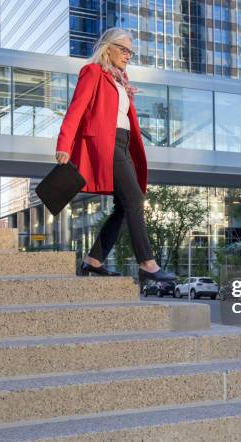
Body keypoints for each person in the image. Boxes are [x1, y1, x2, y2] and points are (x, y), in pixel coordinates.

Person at [55, 27, 176, 284]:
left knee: (125, 205)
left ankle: (93, 261)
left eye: (130, 51)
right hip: (106, 144)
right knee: (134, 199)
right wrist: (64, 143)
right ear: (107, 48)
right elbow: (76, 109)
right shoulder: (93, 72)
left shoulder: (120, 79)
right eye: (123, 49)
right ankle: (147, 263)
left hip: (123, 144)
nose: (128, 55)